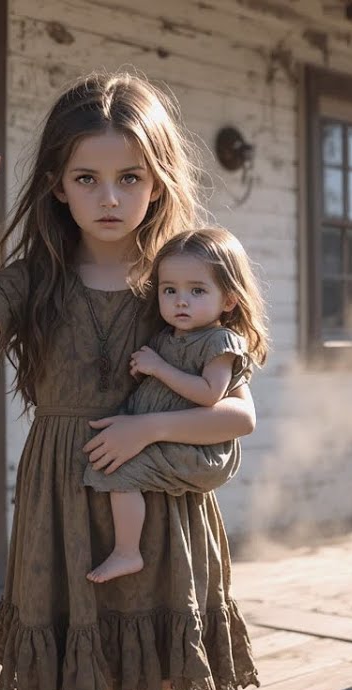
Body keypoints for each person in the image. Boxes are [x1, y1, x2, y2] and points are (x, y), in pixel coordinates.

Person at [0, 71, 258, 690]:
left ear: (158, 181)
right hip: (62, 505)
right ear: (57, 184)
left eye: (130, 177)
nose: (110, 196)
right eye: (87, 179)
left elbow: (238, 414)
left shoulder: (181, 284)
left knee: (162, 688)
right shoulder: (34, 281)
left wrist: (144, 431)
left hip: (159, 504)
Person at [83, 228, 269, 584]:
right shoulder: (171, 337)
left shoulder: (220, 341)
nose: (181, 301)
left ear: (229, 300)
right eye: (170, 290)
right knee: (116, 466)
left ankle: (127, 551)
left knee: (120, 470)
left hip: (199, 451)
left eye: (197, 291)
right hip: (174, 439)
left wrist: (159, 369)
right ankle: (128, 549)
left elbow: (209, 393)